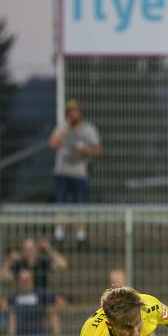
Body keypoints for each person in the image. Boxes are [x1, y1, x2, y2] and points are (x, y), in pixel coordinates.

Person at [48, 99, 102, 245]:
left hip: (79, 173)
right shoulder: (61, 128)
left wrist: (86, 150)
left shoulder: (88, 129)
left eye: (76, 112)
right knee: (60, 205)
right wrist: (66, 129)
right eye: (71, 112)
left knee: (81, 205)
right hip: (62, 172)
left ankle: (80, 236)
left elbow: (98, 149)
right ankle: (59, 235)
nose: (73, 115)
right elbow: (52, 144)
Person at [0, 237, 67, 291]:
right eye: (26, 249)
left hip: (42, 295)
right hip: (24, 296)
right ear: (22, 251)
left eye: (31, 249)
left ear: (36, 249)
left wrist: (49, 249)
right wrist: (8, 261)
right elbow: (2, 277)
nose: (29, 252)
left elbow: (63, 264)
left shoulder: (43, 261)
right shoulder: (19, 263)